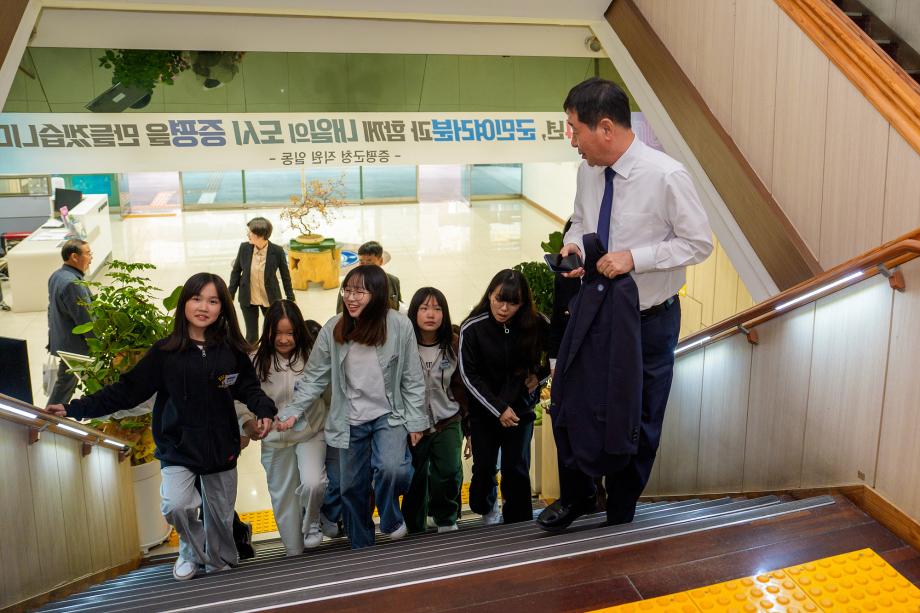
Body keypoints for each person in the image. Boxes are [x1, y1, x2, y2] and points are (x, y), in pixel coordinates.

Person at [537, 77, 713, 532]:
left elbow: (698, 244)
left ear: (607, 128)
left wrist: (636, 258)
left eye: (575, 129)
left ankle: (621, 510)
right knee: (572, 399)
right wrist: (573, 248)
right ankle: (577, 496)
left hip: (649, 321)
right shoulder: (587, 172)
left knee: (641, 416)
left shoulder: (667, 176)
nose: (571, 140)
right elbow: (580, 219)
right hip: (595, 310)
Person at [47, 273, 277, 580]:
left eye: (212, 300)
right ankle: (191, 551)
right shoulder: (165, 352)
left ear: (223, 308)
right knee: (177, 505)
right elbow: (126, 391)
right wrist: (74, 408)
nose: (203, 307)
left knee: (221, 518)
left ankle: (222, 564)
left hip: (221, 446)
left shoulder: (231, 351)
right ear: (184, 304)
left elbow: (248, 389)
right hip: (177, 446)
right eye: (197, 298)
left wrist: (263, 410)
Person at [276, 265, 427, 549]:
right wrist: (291, 411)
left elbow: (412, 377)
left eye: (360, 291)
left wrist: (417, 422)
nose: (351, 297)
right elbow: (314, 377)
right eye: (348, 290)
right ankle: (361, 547)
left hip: (388, 414)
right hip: (350, 419)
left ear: (379, 294)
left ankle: (390, 517)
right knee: (351, 489)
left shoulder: (399, 325)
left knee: (392, 469)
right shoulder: (334, 329)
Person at [237, 300, 330, 556]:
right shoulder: (254, 360)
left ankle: (312, 521)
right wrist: (246, 424)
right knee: (284, 499)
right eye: (278, 333)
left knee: (313, 483)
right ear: (268, 331)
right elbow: (239, 397)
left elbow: (329, 393)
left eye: (290, 333)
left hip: (310, 432)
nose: (284, 339)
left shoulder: (312, 356)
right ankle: (294, 552)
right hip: (275, 440)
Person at [459, 269, 550, 525]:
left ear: (523, 303)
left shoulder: (537, 323)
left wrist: (539, 377)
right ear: (490, 294)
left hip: (521, 411)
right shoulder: (472, 327)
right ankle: (487, 508)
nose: (504, 308)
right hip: (485, 413)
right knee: (485, 468)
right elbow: (469, 376)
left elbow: (557, 356)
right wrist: (498, 408)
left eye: (513, 302)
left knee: (516, 469)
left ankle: (518, 524)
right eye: (499, 299)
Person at [400, 287, 468, 534]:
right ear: (414, 313)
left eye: (437, 309)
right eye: (424, 308)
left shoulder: (454, 344)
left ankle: (446, 518)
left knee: (449, 471)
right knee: (415, 478)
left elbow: (463, 385)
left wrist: (467, 425)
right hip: (413, 424)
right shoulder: (403, 344)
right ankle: (415, 526)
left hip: (447, 418)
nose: (431, 314)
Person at [229, 217, 295, 343]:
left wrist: (290, 297)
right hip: (248, 298)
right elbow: (236, 272)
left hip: (270, 299)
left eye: (251, 233)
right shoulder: (244, 248)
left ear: (261, 236)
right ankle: (251, 359)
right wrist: (229, 294)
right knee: (251, 336)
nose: (248, 235)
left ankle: (269, 358)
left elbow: (285, 276)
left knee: (272, 332)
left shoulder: (277, 251)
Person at [46, 239, 93, 405]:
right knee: (66, 386)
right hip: (76, 349)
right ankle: (47, 419)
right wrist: (100, 345)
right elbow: (86, 319)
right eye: (88, 253)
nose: (91, 258)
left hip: (64, 343)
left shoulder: (57, 276)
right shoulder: (74, 283)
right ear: (74, 256)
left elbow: (51, 311)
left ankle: (47, 419)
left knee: (65, 385)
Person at [336, 241, 401, 312]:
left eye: (369, 262)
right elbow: (341, 313)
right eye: (361, 262)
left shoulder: (393, 281)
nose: (365, 267)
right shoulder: (348, 284)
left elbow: (396, 307)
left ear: (381, 261)